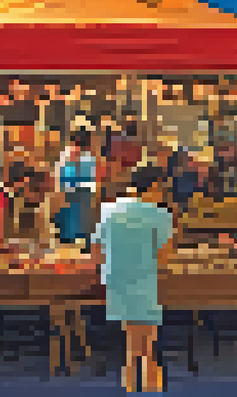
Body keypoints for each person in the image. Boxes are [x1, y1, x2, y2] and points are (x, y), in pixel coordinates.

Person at [95, 166, 175, 393]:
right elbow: (164, 257)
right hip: (144, 278)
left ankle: (132, 383)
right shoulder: (160, 215)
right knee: (146, 344)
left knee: (132, 338)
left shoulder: (108, 210)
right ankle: (148, 385)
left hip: (115, 279)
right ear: (154, 186)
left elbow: (96, 249)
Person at [54, 131, 98, 245]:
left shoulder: (73, 154)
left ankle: (70, 240)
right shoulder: (85, 156)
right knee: (78, 222)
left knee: (75, 223)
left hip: (75, 192)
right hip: (77, 192)